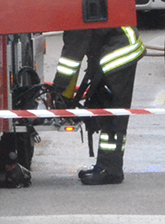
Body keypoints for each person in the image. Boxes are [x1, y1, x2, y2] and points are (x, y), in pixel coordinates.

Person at [51, 26, 143, 185]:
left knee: (113, 113)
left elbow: (71, 60)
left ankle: (110, 170)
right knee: (108, 110)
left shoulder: (75, 19)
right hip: (117, 48)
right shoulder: (76, 10)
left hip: (119, 53)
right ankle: (106, 166)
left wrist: (58, 90)